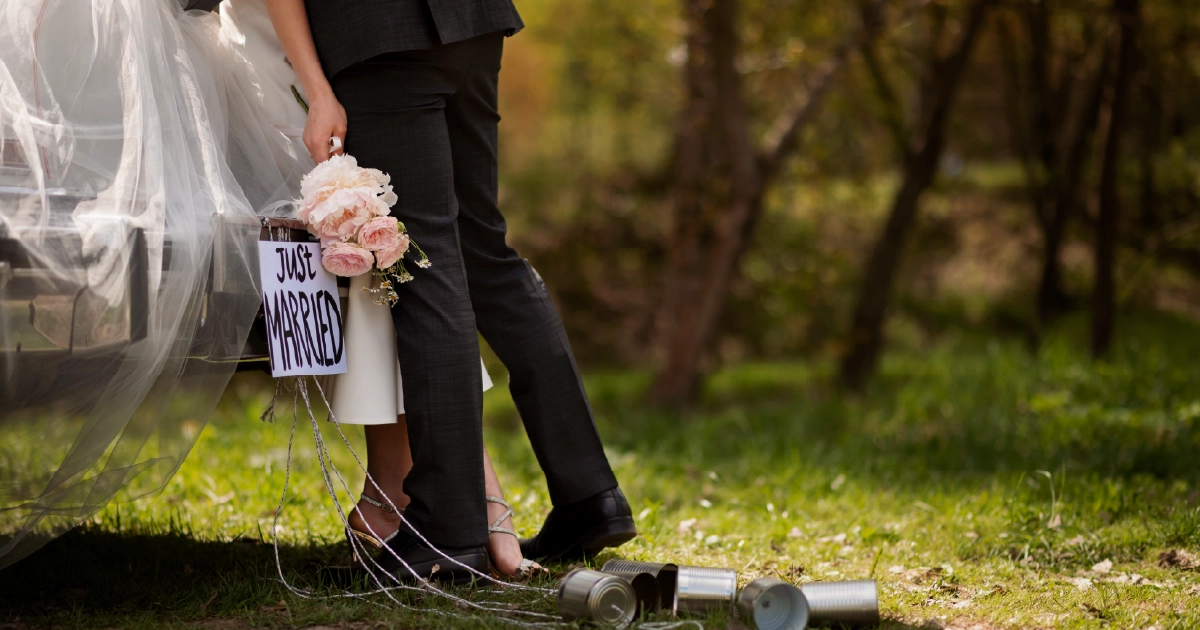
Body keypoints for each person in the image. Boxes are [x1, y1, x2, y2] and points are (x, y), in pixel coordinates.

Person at [263, 0, 638, 582]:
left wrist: (316, 89)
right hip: (470, 23)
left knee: (422, 263)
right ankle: (591, 496)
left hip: (380, 38)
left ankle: (448, 530)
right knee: (487, 254)